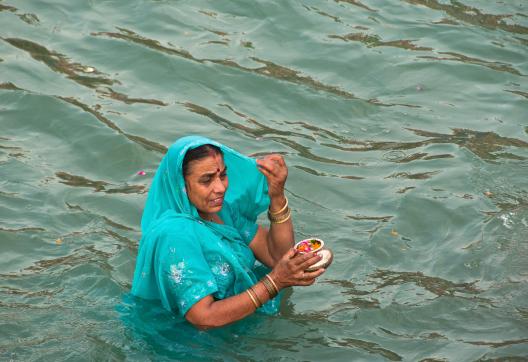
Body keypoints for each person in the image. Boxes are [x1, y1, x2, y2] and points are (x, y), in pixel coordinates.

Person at [131, 136, 325, 329]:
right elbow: (203, 318)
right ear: (180, 185)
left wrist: (277, 196)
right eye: (207, 180)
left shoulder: (221, 212)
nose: (221, 187)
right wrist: (275, 282)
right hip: (185, 343)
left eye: (223, 175)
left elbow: (276, 257)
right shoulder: (174, 234)